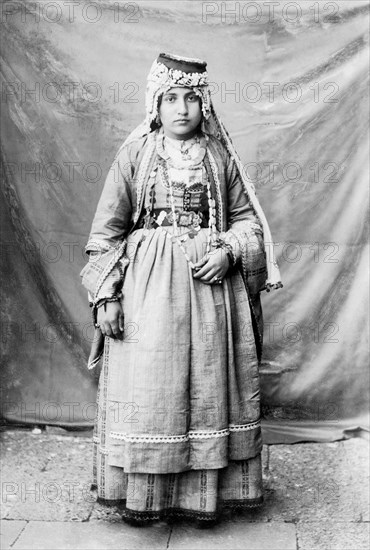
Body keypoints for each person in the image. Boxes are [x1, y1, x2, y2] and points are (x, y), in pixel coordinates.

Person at [80, 52, 282, 527]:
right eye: (171, 98)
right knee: (154, 386)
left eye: (192, 98)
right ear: (156, 102)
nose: (182, 108)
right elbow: (104, 234)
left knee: (210, 384)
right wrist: (107, 295)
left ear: (205, 104)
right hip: (149, 291)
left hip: (212, 291)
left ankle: (205, 497)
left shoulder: (220, 157)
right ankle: (147, 496)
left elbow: (248, 222)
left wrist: (230, 251)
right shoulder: (134, 155)